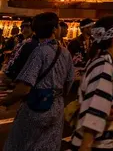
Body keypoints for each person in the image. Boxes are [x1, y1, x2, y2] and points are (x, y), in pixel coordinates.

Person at [1, 12, 74, 151]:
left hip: (36, 107)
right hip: (56, 107)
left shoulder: (39, 52)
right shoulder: (65, 52)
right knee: (48, 146)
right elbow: (69, 82)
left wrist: (7, 101)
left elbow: (24, 87)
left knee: (23, 144)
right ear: (54, 29)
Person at [68, 16, 113, 151]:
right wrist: (86, 145)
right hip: (99, 145)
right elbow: (95, 108)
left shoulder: (103, 61)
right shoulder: (103, 67)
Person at [69, 18, 95, 83]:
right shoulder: (75, 42)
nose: (93, 29)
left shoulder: (94, 41)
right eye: (92, 27)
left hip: (91, 73)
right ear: (85, 28)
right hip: (78, 74)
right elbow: (71, 60)